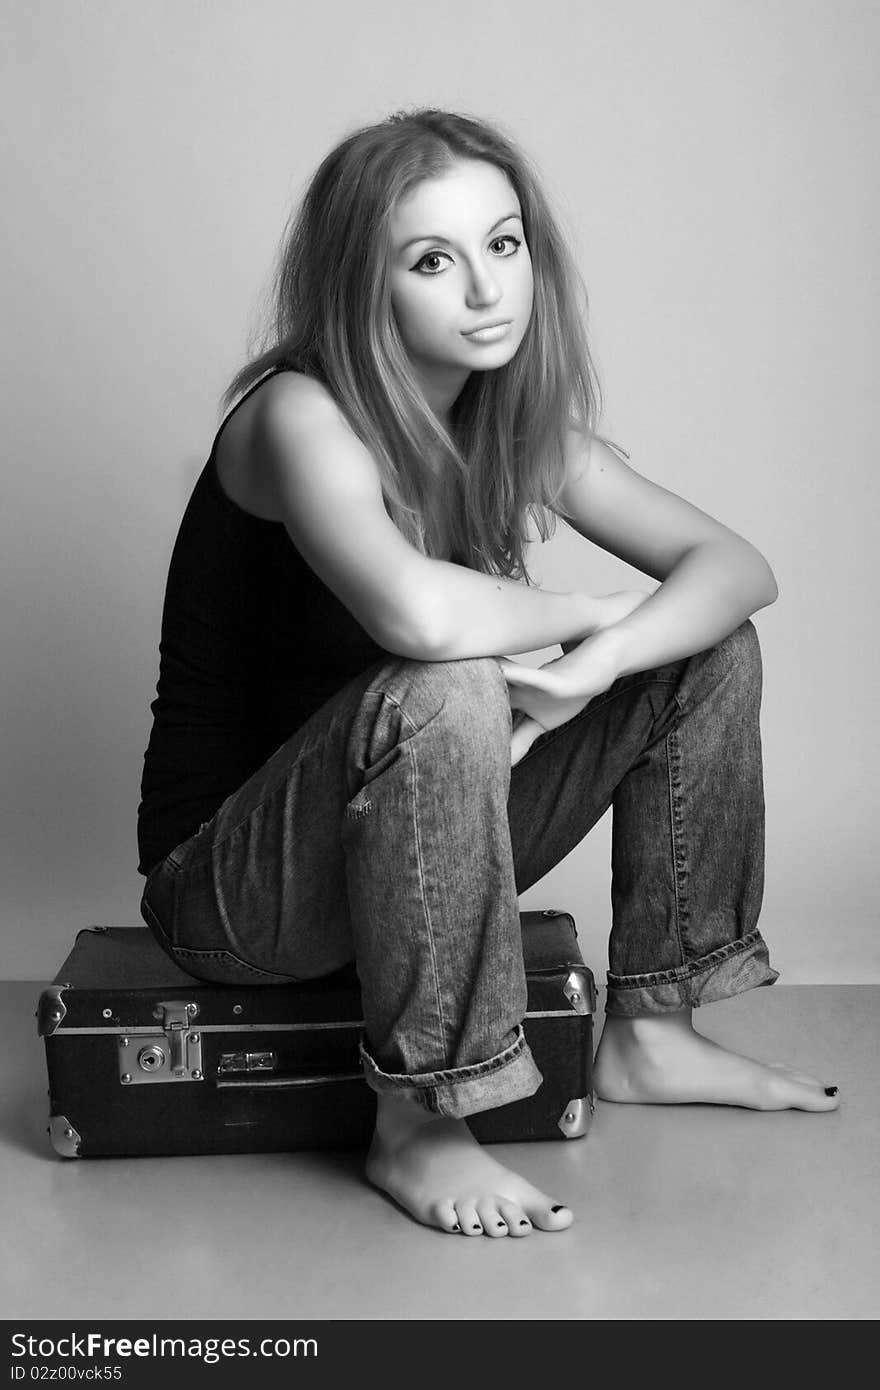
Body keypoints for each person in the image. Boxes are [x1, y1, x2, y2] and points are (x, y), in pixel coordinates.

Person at [137, 107, 839, 1240]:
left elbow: (733, 568)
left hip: (412, 847)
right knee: (455, 675)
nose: (484, 290)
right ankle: (420, 1121)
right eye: (432, 260)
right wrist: (593, 612)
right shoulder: (294, 414)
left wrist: (597, 662)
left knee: (699, 647)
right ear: (363, 289)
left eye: (502, 245)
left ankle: (653, 1028)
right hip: (232, 891)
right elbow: (416, 611)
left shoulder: (513, 419)